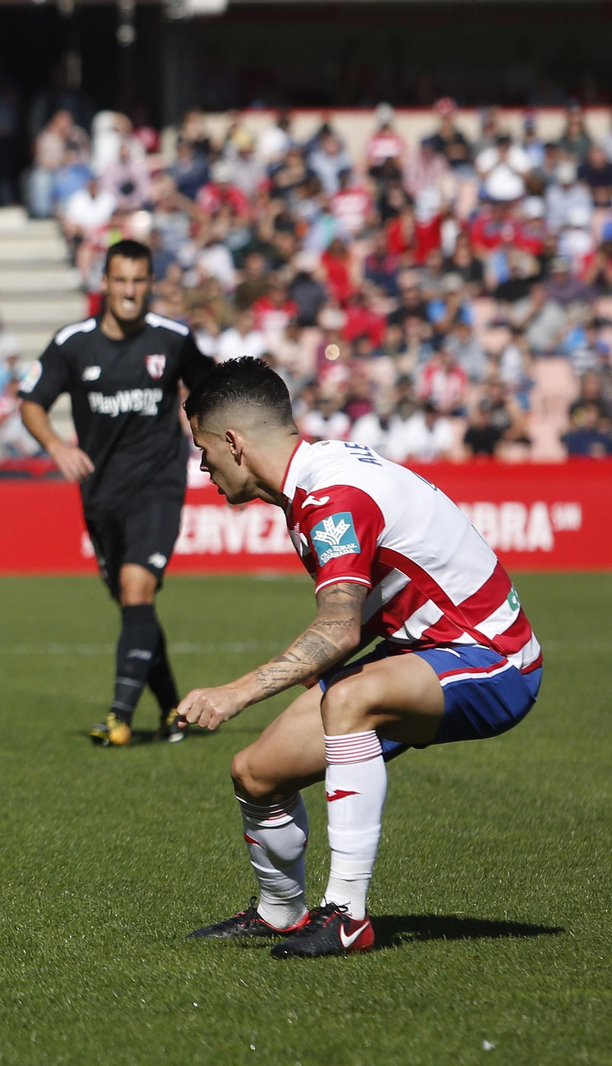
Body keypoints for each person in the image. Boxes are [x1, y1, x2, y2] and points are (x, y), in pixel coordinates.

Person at [177, 357, 542, 959]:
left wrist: (236, 692)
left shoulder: (329, 497)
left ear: (234, 443)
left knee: (348, 699)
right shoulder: (317, 479)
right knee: (256, 773)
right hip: (423, 651)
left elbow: (342, 629)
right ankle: (280, 914)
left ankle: (347, 915)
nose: (204, 466)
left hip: (495, 661)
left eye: (203, 448)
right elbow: (370, 609)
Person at [18, 239, 213, 747]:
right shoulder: (73, 343)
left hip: (158, 486)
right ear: (104, 282)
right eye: (121, 280)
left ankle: (119, 718)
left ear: (151, 284)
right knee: (134, 608)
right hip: (100, 495)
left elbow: (213, 391)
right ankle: (174, 711)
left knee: (136, 590)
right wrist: (57, 446)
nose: (130, 291)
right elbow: (31, 402)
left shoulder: (172, 339)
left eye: (139, 280)